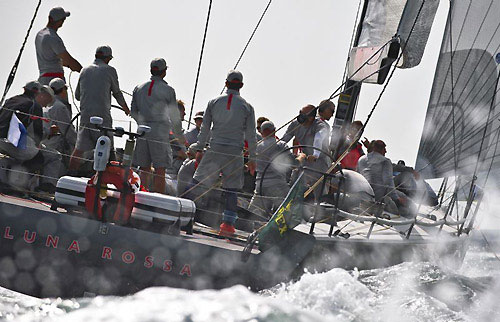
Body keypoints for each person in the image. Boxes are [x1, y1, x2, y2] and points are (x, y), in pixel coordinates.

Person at [189, 70, 257, 235]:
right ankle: (227, 225)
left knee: (198, 182)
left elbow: (205, 128)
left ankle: (185, 214)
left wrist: (199, 148)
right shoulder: (247, 107)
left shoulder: (213, 102)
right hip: (234, 152)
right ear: (241, 85)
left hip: (214, 149)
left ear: (225, 84)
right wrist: (253, 158)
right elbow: (251, 135)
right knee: (231, 189)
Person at [69, 46, 130, 172]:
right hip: (103, 120)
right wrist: (126, 109)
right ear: (107, 58)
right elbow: (117, 93)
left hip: (86, 118)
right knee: (108, 150)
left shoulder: (84, 70)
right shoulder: (110, 70)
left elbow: (77, 96)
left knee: (78, 150)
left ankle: (69, 176)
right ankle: (107, 183)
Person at [131, 58, 183, 193]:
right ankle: (158, 200)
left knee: (144, 168)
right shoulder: (168, 90)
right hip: (159, 133)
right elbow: (174, 117)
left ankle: (141, 195)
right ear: (164, 72)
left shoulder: (138, 88)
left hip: (142, 132)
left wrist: (142, 123)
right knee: (160, 169)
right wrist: (181, 138)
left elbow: (133, 111)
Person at [0, 81, 62, 192]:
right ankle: (45, 187)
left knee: (30, 150)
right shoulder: (34, 105)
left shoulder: (11, 100)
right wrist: (50, 133)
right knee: (51, 156)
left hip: (2, 140)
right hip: (14, 142)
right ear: (38, 93)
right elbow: (38, 135)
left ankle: (9, 177)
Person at [248, 121, 305, 218]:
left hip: (260, 185)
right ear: (274, 131)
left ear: (261, 133)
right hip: (278, 185)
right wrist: (301, 156)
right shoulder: (281, 145)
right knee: (288, 208)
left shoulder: (257, 147)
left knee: (252, 211)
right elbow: (293, 165)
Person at [281, 104, 330, 196]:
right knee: (294, 181)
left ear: (311, 118)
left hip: (320, 161)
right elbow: (285, 139)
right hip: (305, 160)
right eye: (300, 113)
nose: (300, 117)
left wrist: (315, 154)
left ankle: (319, 206)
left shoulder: (320, 125)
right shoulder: (295, 125)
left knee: (319, 189)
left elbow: (318, 138)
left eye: (303, 114)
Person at [357, 140, 411, 216]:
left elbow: (357, 176)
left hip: (363, 196)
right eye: (384, 149)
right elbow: (388, 182)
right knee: (408, 206)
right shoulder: (385, 161)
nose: (386, 151)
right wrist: (397, 199)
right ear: (381, 150)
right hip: (379, 198)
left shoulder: (361, 159)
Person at [35, 7, 82, 85]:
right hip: (55, 81)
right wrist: (84, 71)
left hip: (42, 79)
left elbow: (51, 56)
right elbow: (68, 61)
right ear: (60, 21)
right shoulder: (53, 38)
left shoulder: (39, 34)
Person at [43, 78, 77, 172]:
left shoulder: (48, 105)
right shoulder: (60, 107)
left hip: (47, 144)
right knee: (89, 153)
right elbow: (68, 132)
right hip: (58, 147)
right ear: (63, 90)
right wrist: (80, 144)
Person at [168, 100, 188, 177]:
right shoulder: (170, 126)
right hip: (172, 167)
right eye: (183, 111)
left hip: (177, 165)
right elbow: (170, 139)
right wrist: (182, 153)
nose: (185, 114)